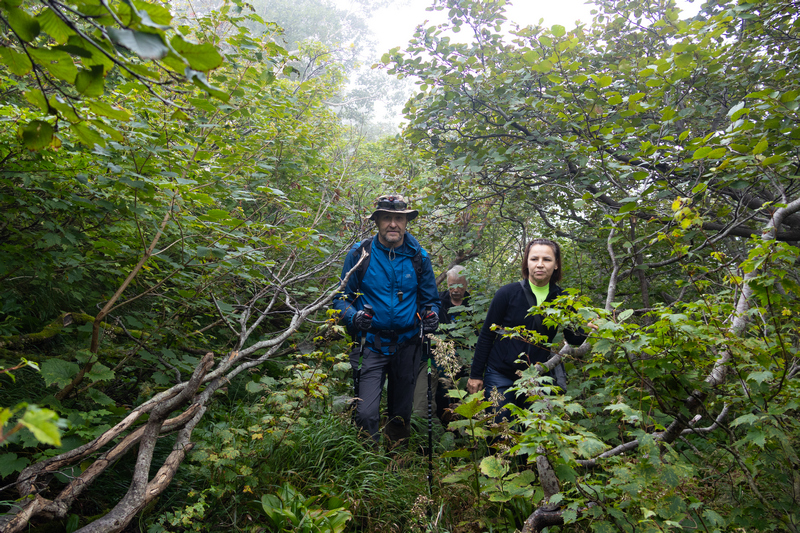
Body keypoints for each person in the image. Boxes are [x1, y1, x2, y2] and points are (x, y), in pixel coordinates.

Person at [334, 193, 441, 446]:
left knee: (401, 414)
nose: (393, 224)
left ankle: (396, 462)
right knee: (365, 412)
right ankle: (368, 462)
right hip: (369, 344)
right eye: (387, 218)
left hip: (408, 345)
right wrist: (353, 316)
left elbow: (431, 300)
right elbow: (340, 298)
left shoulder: (419, 257)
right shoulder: (360, 254)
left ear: (406, 222)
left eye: (399, 219)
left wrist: (432, 316)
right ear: (377, 221)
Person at [467, 238, 587, 422]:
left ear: (556, 265)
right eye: (534, 259)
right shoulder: (507, 294)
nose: (540, 265)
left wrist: (597, 330)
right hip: (500, 374)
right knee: (500, 430)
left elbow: (574, 338)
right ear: (526, 263)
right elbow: (486, 336)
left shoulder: (563, 299)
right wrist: (475, 375)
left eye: (547, 259)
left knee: (535, 431)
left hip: (537, 375)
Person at [413, 265, 471, 422]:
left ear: (466, 284)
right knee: (428, 400)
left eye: (459, 285)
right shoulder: (438, 302)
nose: (455, 289)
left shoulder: (473, 306)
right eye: (452, 285)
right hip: (435, 357)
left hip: (462, 362)